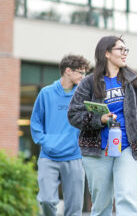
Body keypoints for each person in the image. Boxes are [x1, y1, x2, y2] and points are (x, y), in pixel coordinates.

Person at [68, 36, 137, 215]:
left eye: (126, 50)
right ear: (107, 53)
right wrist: (99, 120)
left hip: (128, 147)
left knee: (127, 196)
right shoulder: (89, 83)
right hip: (97, 150)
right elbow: (73, 114)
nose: (125, 54)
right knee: (101, 204)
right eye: (120, 50)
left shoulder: (134, 81)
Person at [30, 54, 89, 216]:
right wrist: (45, 141)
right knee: (46, 200)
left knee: (75, 207)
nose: (83, 77)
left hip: (74, 156)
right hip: (48, 156)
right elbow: (35, 122)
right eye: (80, 73)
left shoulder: (83, 95)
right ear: (68, 71)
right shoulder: (46, 93)